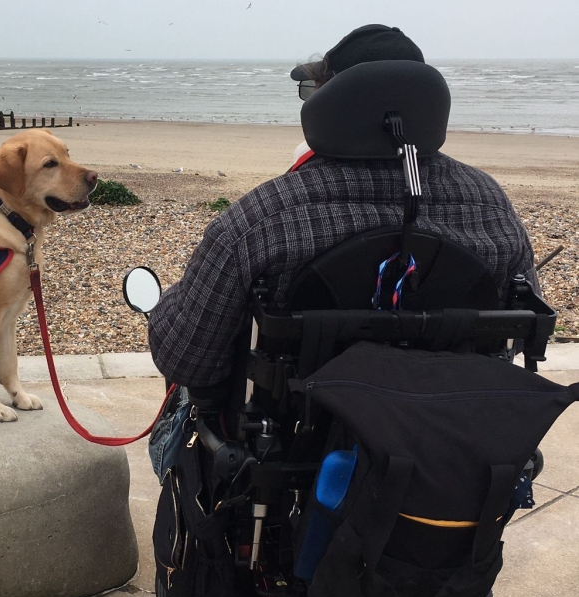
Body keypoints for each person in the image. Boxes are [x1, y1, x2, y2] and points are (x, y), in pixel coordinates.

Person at [148, 24, 538, 390]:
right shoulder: (490, 205)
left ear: (331, 104)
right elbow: (515, 335)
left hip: (294, 448)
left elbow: (188, 361)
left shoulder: (267, 216)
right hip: (450, 438)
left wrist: (169, 305)